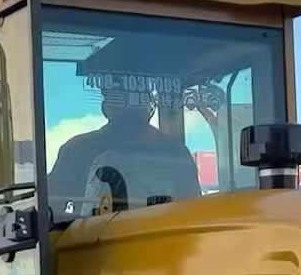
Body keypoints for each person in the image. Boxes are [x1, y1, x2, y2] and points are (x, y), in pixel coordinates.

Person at [45, 90, 198, 214]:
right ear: (149, 108)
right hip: (169, 241)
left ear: (105, 108)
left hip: (96, 243)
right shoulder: (177, 153)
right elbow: (193, 209)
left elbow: (52, 210)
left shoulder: (78, 149)